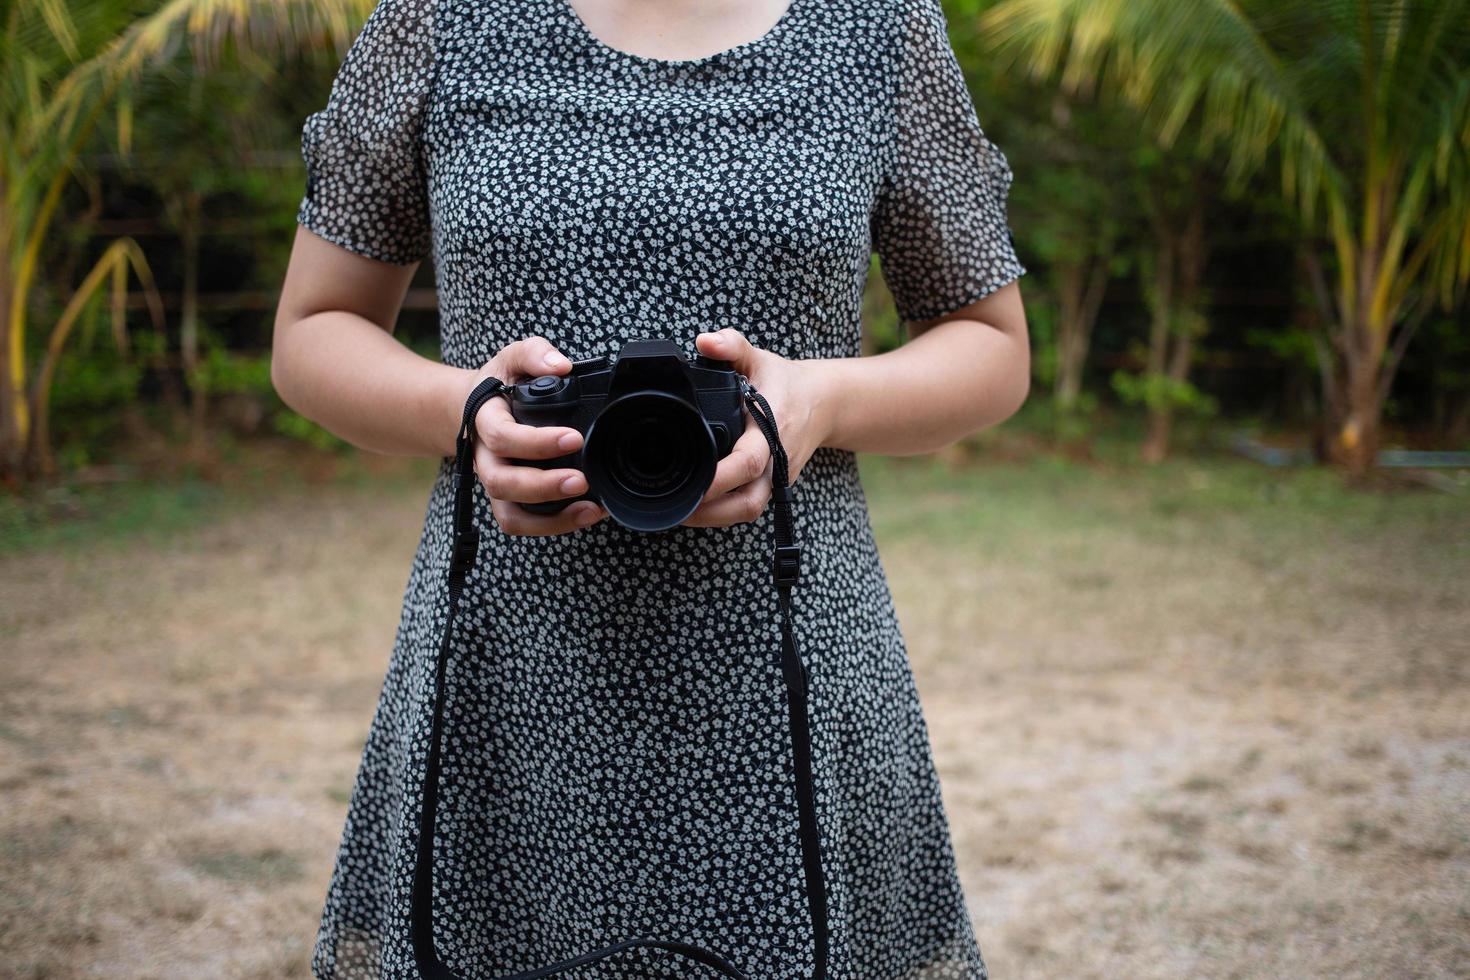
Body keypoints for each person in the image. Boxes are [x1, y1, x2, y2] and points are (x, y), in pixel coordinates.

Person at [270, 0, 1029, 975]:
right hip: (511, 681)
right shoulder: (438, 15)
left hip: (793, 674)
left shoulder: (879, 23)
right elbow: (310, 329)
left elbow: (994, 348)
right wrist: (465, 412)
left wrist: (821, 399)